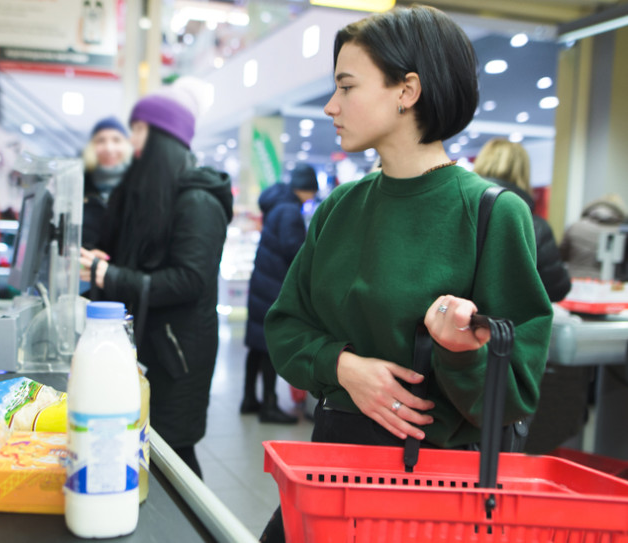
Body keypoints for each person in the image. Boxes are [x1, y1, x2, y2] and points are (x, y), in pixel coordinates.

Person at [260, 7, 552, 540]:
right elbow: (284, 327)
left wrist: (460, 350)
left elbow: (514, 393)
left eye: (347, 86)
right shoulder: (339, 208)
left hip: (431, 497)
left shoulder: (491, 213)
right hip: (330, 473)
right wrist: (344, 366)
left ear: (407, 91)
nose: (331, 105)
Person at [78, 80, 233, 479]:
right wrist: (109, 264)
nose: (131, 141)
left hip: (178, 358)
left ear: (163, 137)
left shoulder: (198, 200)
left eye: (139, 129)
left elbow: (188, 280)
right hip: (153, 349)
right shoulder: (158, 197)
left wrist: (110, 275)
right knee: (153, 449)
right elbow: (148, 264)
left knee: (175, 456)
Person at [241, 164, 318, 424]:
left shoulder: (278, 205)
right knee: (268, 347)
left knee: (256, 346)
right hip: (274, 286)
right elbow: (294, 250)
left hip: (263, 282)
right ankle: (269, 405)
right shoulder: (290, 210)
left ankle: (249, 399)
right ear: (306, 188)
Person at [473, 138, 571, 301]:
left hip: (454, 314)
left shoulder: (458, 212)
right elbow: (556, 288)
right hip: (508, 316)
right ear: (523, 173)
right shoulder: (535, 226)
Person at [82, 116, 132, 250]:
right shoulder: (79, 185)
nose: (109, 148)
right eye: (101, 140)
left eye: (116, 140)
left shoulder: (139, 184)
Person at [559, 194, 627, 279]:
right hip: (608, 283)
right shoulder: (621, 232)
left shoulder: (576, 226)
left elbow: (561, 256)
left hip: (574, 280)